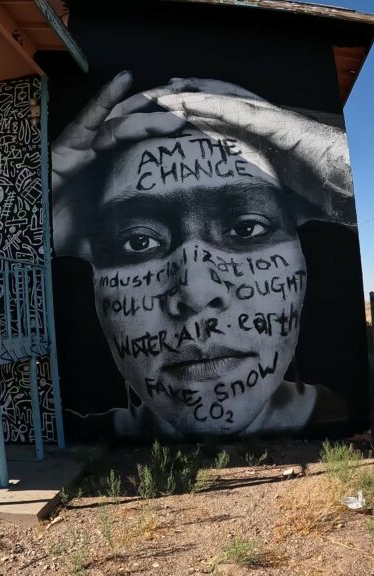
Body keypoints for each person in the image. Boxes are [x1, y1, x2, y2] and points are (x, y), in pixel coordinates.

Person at [52, 72, 356, 438]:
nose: (195, 292)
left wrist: (344, 182)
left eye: (247, 229)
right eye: (138, 242)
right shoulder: (69, 438)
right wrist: (30, 223)